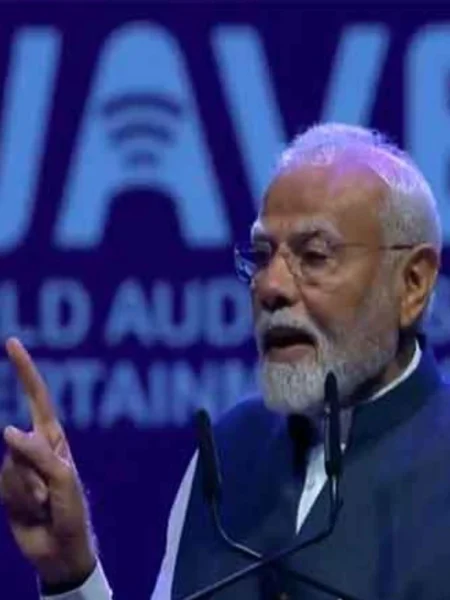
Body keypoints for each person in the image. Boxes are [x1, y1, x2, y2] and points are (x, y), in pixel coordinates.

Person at [0, 122, 449, 600]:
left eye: (315, 256)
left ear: (412, 284)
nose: (270, 286)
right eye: (262, 256)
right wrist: (71, 573)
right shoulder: (227, 455)